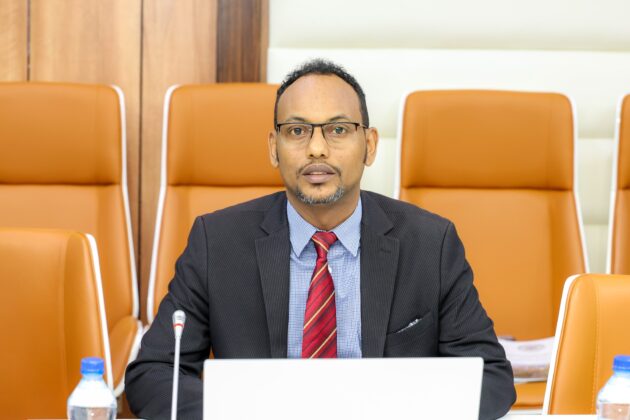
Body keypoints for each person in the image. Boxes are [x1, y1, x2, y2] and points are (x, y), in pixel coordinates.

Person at [125, 59, 516, 419]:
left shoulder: (429, 243)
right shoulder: (218, 242)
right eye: (297, 131)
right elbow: (154, 373)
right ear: (273, 149)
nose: (316, 148)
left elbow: (491, 377)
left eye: (338, 130)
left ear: (370, 145)